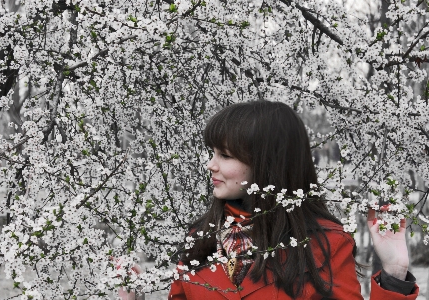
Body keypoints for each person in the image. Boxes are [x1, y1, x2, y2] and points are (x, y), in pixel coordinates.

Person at [121, 100, 419, 299]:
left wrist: (393, 271)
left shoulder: (325, 242)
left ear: (266, 163)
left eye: (224, 155)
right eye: (212, 153)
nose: (210, 165)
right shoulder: (200, 238)